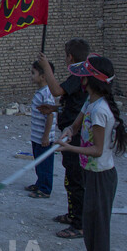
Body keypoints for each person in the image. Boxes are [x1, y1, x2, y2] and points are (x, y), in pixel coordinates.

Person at [57, 55, 127, 251]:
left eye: (83, 76)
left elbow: (97, 150)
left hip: (101, 176)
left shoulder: (100, 110)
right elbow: (76, 125)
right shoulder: (90, 103)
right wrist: (69, 131)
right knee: (90, 229)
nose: (80, 79)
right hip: (91, 173)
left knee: (97, 231)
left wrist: (70, 148)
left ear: (91, 80)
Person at [38, 38, 90, 239]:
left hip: (75, 136)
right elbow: (74, 101)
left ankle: (80, 224)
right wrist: (55, 108)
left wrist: (46, 67)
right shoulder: (78, 76)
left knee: (76, 180)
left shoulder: (80, 74)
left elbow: (57, 91)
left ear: (70, 57)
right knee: (70, 178)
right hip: (69, 133)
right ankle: (73, 214)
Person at [26, 60, 56, 198]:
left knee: (45, 164)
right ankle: (39, 183)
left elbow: (49, 116)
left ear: (43, 76)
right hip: (37, 136)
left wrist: (46, 136)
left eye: (33, 73)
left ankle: (45, 189)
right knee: (38, 161)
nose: (30, 76)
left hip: (44, 138)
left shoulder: (47, 94)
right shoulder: (40, 92)